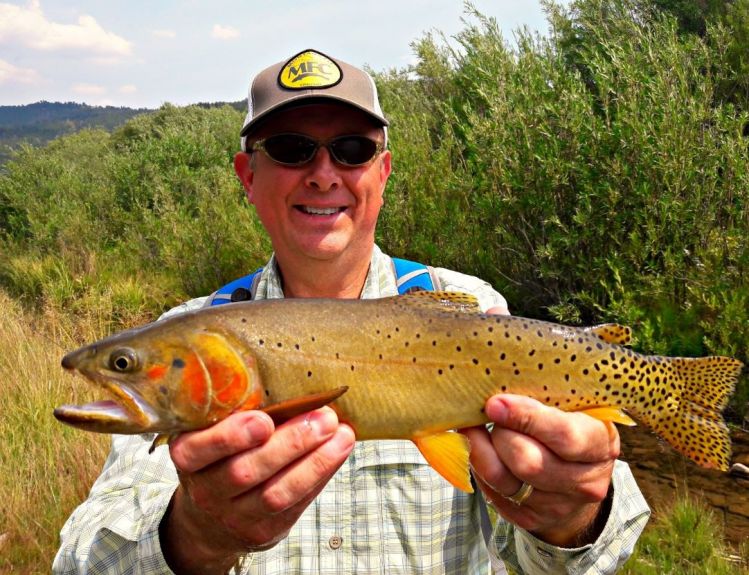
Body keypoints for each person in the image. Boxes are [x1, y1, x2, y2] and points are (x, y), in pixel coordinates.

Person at [53, 49, 650, 574]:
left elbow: (573, 558)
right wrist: (192, 540)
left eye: (351, 150)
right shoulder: (188, 326)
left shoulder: (479, 311)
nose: (322, 175)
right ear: (247, 176)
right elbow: (81, 561)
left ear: (382, 174)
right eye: (290, 150)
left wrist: (574, 518)